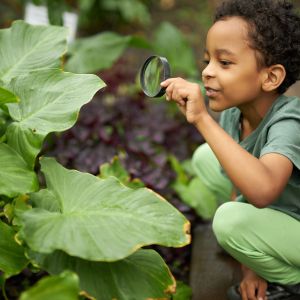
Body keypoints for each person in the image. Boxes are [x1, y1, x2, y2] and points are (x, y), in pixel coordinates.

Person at [160, 0, 300, 299]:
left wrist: (200, 119)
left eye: (224, 63)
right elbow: (241, 189)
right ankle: (261, 249)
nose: (208, 73)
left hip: (292, 218)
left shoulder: (291, 121)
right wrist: (250, 266)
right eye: (207, 61)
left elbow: (261, 191)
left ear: (271, 77)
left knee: (227, 221)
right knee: (206, 157)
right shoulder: (235, 114)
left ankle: (291, 280)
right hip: (284, 209)